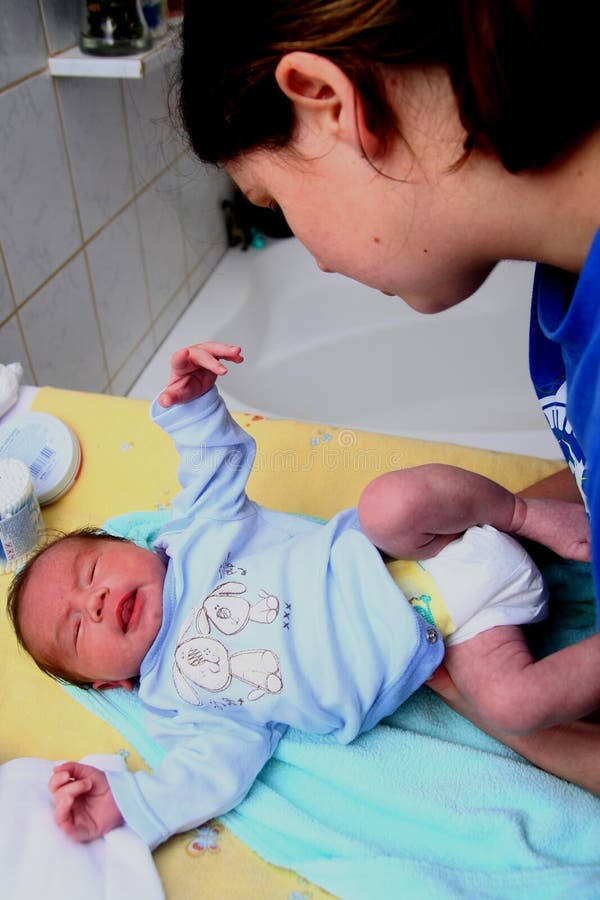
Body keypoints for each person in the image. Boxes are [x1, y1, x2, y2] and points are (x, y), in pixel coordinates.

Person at [175, 2, 600, 787]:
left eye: (275, 203)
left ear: (327, 104)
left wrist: (490, 707)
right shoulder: (567, 290)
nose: (316, 260)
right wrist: (509, 520)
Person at [7, 342, 597, 846]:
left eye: (91, 572)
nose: (96, 601)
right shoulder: (178, 704)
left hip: (420, 547)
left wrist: (191, 406)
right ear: (111, 684)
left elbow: (214, 463)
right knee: (514, 706)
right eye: (78, 629)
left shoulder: (192, 536)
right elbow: (203, 776)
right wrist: (125, 804)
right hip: (454, 635)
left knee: (388, 502)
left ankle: (525, 513)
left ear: (126, 544)